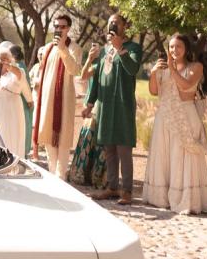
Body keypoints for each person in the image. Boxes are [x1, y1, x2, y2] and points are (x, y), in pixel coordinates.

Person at [143, 34, 207, 214]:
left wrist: (172, 69)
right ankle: (160, 198)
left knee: (181, 156)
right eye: (171, 47)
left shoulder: (196, 67)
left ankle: (185, 200)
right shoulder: (163, 69)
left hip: (185, 117)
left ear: (186, 49)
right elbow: (153, 91)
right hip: (164, 117)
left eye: (178, 47)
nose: (174, 50)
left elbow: (185, 87)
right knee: (164, 155)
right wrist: (153, 73)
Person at [83, 13, 142, 205]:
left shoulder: (133, 48)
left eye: (116, 23)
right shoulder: (104, 50)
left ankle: (127, 191)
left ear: (125, 26)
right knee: (109, 149)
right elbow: (97, 80)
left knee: (123, 148)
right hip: (106, 106)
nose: (112, 26)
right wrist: (90, 103)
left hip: (123, 105)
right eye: (110, 23)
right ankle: (112, 187)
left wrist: (120, 49)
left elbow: (133, 70)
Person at [33, 15, 82, 178]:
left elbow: (75, 70)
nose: (58, 29)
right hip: (47, 100)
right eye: (56, 26)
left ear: (68, 28)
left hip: (64, 100)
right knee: (48, 138)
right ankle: (53, 175)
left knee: (63, 139)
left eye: (62, 26)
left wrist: (63, 48)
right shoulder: (48, 48)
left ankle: (61, 177)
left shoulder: (74, 48)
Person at [68, 42, 106, 189]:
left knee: (96, 142)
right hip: (90, 103)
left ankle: (96, 176)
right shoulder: (95, 65)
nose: (95, 51)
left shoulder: (103, 65)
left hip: (97, 106)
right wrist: (89, 59)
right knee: (87, 140)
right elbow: (83, 75)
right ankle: (82, 173)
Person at [10, 43, 34, 158]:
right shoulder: (21, 64)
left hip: (22, 98)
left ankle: (23, 151)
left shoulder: (18, 67)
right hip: (25, 98)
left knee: (23, 125)